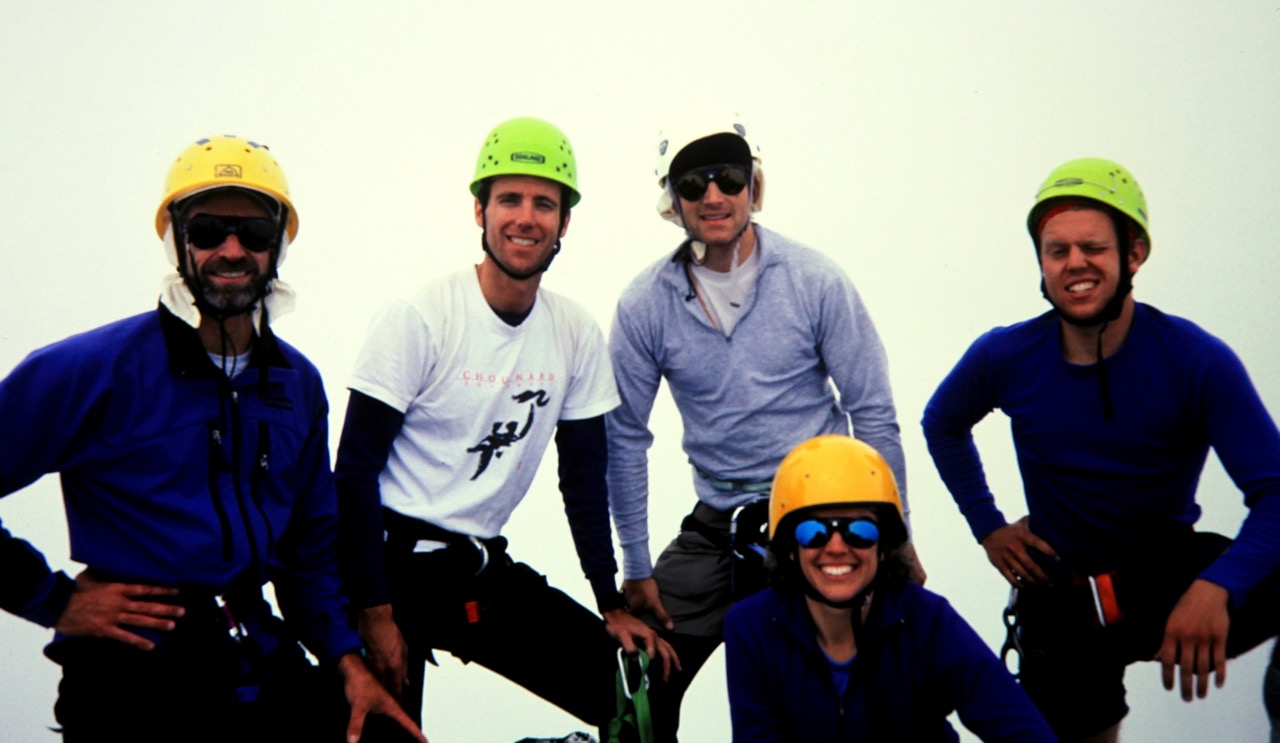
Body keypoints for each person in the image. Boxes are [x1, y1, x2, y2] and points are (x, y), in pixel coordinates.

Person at [0, 135, 424, 743]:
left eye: (254, 232)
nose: (232, 250)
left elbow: (308, 548)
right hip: (134, 670)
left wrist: (345, 658)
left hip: (252, 647)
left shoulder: (296, 383)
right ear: (178, 242)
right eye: (207, 230)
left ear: (277, 247)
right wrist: (53, 600)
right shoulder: (96, 369)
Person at [335, 117, 676, 738]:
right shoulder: (420, 315)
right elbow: (353, 473)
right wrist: (374, 613)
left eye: (545, 203)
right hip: (386, 571)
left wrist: (608, 602)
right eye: (509, 199)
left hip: (476, 571)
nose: (526, 218)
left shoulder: (574, 332)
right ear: (480, 211)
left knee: (634, 691)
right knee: (382, 734)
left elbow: (582, 477)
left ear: (564, 223)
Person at [922, 157, 1280, 742]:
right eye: (1056, 251)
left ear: (1133, 254)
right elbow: (943, 423)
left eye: (1093, 247)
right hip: (1065, 598)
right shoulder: (1005, 356)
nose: (1074, 263)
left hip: (1169, 578)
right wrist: (989, 528)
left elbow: (1276, 493)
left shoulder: (1195, 360)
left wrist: (1219, 587)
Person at [605, 106, 920, 740]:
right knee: (631, 675)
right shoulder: (644, 304)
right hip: (718, 526)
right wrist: (635, 567)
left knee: (850, 696)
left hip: (819, 515)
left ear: (753, 184)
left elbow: (873, 410)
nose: (713, 196)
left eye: (728, 177)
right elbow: (625, 438)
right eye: (692, 183)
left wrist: (896, 531)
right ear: (672, 200)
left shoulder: (814, 279)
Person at [724, 435, 1055, 741]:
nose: (836, 547)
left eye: (860, 531)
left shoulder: (927, 620)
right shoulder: (752, 628)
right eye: (814, 532)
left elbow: (1023, 730)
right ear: (789, 547)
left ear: (884, 546)